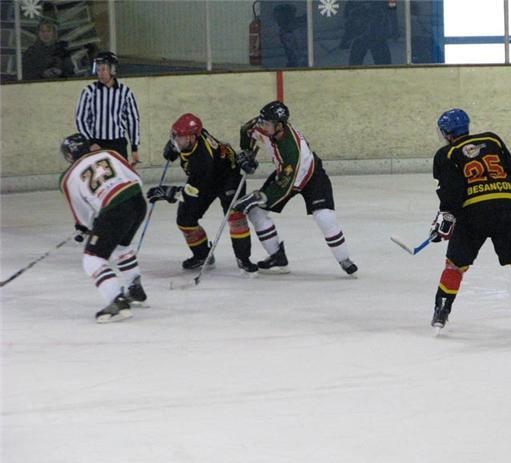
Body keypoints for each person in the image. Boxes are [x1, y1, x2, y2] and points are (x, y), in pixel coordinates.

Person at [427, 108, 511, 335]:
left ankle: (441, 313)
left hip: (472, 213)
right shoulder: (492, 140)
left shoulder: (446, 154)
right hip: (507, 206)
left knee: (455, 265)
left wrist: (444, 219)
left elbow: (452, 195)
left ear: (446, 133)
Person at [233, 101, 358, 276]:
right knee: (256, 213)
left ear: (279, 126)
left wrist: (257, 197)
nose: (262, 126)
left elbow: (284, 187)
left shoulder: (291, 149)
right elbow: (246, 130)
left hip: (311, 176)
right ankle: (277, 256)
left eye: (267, 123)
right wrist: (247, 152)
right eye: (262, 121)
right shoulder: (262, 126)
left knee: (324, 217)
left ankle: (344, 259)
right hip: (284, 172)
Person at [146, 113, 257, 273]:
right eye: (174, 136)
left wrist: (169, 192)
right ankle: (202, 255)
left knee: (236, 217)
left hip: (228, 178)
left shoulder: (203, 160)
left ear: (191, 138)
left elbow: (193, 193)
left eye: (178, 137)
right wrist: (174, 147)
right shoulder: (193, 138)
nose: (175, 140)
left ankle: (244, 258)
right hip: (207, 178)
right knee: (185, 220)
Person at [59, 133, 147, 323]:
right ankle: (135, 289)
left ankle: (116, 301)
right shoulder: (109, 153)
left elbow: (82, 214)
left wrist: (86, 228)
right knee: (121, 246)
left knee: (92, 259)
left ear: (69, 156)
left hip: (114, 209)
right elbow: (136, 179)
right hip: (138, 201)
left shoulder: (68, 178)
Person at [75, 51, 141, 166]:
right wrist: (91, 142)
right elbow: (80, 119)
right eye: (98, 69)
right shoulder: (89, 92)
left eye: (103, 69)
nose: (100, 73)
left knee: (120, 175)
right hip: (97, 144)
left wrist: (134, 147)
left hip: (118, 144)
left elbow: (133, 120)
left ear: (113, 69)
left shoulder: (125, 92)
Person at [340, 1, 398, 66]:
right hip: (368, 34)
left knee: (384, 63)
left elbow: (393, 11)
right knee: (355, 62)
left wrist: (394, 30)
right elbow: (347, 17)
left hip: (374, 33)